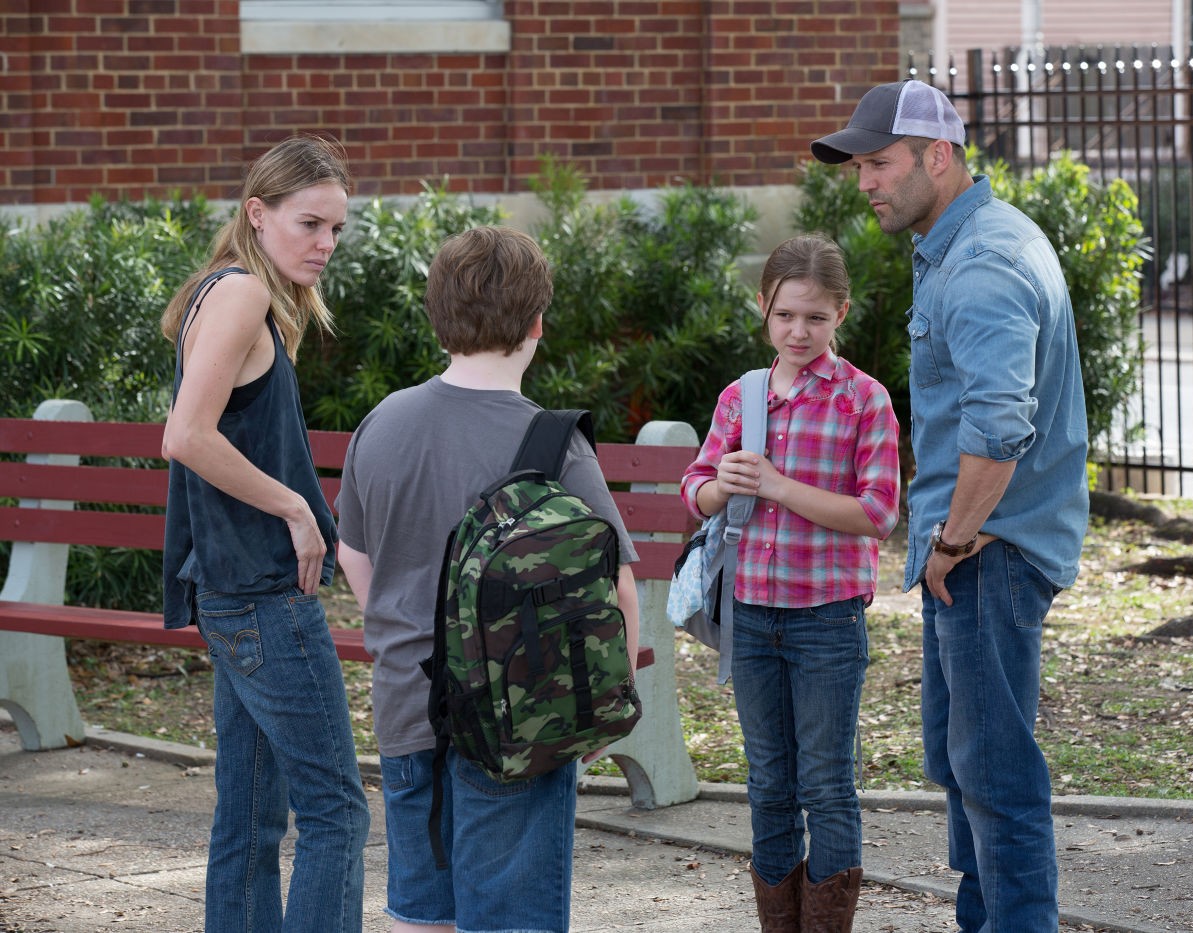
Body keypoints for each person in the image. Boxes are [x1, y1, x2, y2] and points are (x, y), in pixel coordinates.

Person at [811, 80, 1090, 932]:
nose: (866, 183)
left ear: (940, 156)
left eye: (880, 164)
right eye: (859, 166)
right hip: (978, 549)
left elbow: (1000, 430)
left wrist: (953, 543)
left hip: (987, 552)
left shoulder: (981, 265)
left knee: (994, 773)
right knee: (963, 763)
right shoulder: (963, 244)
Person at [334, 225, 641, 933]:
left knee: (420, 910)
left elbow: (353, 557)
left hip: (408, 708)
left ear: (436, 317)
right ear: (538, 323)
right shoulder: (551, 442)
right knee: (511, 921)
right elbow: (616, 585)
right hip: (520, 718)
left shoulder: (379, 425)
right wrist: (602, 701)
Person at [160, 134, 371, 933]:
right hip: (262, 596)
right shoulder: (244, 293)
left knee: (249, 818)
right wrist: (291, 506)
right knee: (336, 813)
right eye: (310, 223)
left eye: (336, 229)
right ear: (258, 212)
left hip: (233, 591)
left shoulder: (231, 292)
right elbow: (185, 436)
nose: (325, 244)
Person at [680, 234, 901, 933]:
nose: (799, 331)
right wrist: (720, 487)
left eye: (815, 317)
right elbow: (694, 488)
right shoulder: (741, 396)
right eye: (785, 317)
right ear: (763, 309)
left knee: (827, 786)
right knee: (769, 785)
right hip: (750, 618)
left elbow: (876, 512)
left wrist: (777, 484)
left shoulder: (864, 400)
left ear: (841, 312)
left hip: (827, 619)